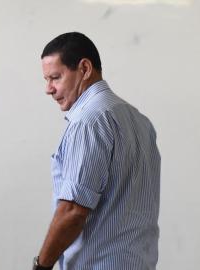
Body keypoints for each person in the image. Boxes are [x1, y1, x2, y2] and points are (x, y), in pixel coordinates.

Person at [32, 32, 161, 270]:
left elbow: (72, 211)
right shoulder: (140, 121)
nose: (48, 89)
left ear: (84, 68)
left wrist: (41, 265)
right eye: (46, 80)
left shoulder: (88, 121)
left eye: (55, 78)